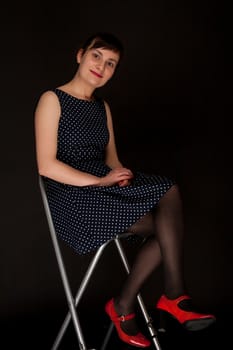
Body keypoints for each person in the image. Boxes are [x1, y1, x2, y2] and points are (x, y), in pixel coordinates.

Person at [34, 32, 216, 348]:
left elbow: (112, 159)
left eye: (111, 63)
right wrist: (100, 182)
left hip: (104, 189)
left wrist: (120, 177)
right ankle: (162, 299)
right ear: (80, 55)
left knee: (167, 201)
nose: (101, 67)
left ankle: (133, 302)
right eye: (97, 56)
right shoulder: (52, 99)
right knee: (165, 220)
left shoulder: (102, 107)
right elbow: (47, 166)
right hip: (73, 198)